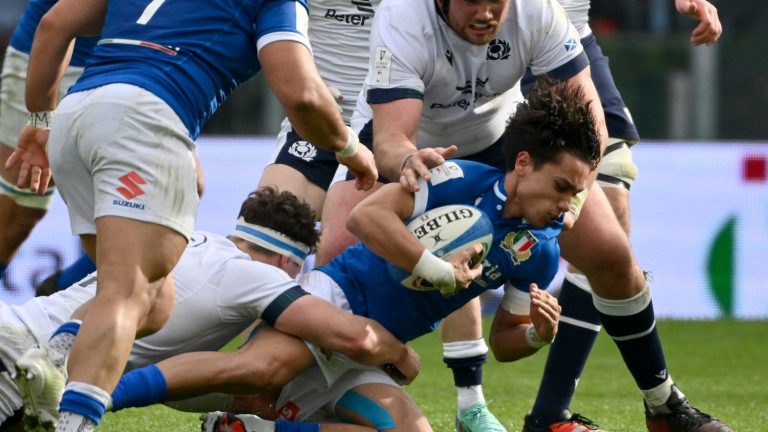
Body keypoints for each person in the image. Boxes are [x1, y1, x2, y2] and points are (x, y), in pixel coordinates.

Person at [311, 0, 731, 431]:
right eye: (473, 2)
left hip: (503, 142)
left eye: (497, 2)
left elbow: (590, 118)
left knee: (610, 254)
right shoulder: (403, 17)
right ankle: (320, 396)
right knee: (338, 250)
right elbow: (391, 138)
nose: (486, 13)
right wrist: (409, 164)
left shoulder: (538, 9)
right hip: (422, 151)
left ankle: (662, 404)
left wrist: (576, 202)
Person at [101, 77, 600, 432]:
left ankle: (244, 430)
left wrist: (538, 333)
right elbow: (368, 218)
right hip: (335, 301)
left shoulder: (541, 253)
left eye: (576, 194)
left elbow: (506, 340)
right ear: (523, 163)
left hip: (374, 352)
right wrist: (436, 270)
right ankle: (95, 398)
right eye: (560, 187)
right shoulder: (458, 179)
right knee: (255, 374)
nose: (566, 206)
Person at [5, 0, 379, 430]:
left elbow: (53, 24)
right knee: (128, 294)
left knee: (153, 300)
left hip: (77, 113)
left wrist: (38, 119)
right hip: (145, 116)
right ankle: (72, 422)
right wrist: (350, 148)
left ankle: (53, 352)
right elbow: (303, 96)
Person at [254, 2, 503, 429]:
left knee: (450, 230)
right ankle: (252, 388)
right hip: (318, 115)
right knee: (263, 257)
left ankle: (471, 403)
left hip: (389, 115)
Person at [0, 187, 414, 432]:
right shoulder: (253, 276)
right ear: (289, 261)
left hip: (19, 331)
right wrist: (397, 352)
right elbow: (349, 335)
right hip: (29, 363)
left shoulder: (193, 241)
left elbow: (193, 376)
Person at [520, 1, 724, 431]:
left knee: (611, 216)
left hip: (575, 42)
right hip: (508, 46)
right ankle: (487, 401)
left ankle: (564, 413)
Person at [0, 0, 98, 297]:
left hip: (136, 66)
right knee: (19, 213)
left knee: (184, 187)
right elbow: (57, 22)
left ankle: (58, 292)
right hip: (54, 56)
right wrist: (41, 115)